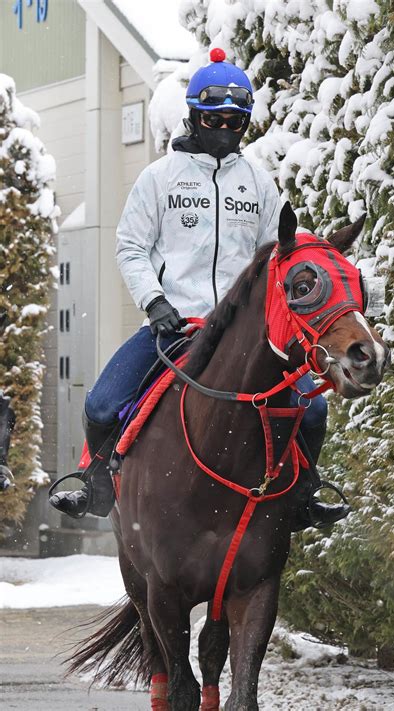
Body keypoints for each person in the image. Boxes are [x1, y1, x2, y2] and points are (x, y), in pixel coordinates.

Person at [49, 49, 348, 527]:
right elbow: (130, 248)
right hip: (176, 325)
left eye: (236, 120)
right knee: (102, 402)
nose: (226, 129)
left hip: (244, 334)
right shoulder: (158, 179)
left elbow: (281, 257)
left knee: (311, 411)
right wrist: (154, 301)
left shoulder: (258, 184)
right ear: (194, 115)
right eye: (215, 118)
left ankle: (306, 493)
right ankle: (96, 482)